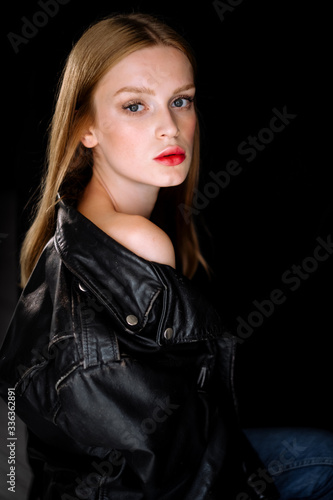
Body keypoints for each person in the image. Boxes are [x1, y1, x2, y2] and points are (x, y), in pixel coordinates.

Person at [0, 12, 332, 500]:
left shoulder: (72, 225)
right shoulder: (142, 242)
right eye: (135, 106)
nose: (170, 127)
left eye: (181, 101)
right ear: (85, 128)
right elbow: (173, 474)